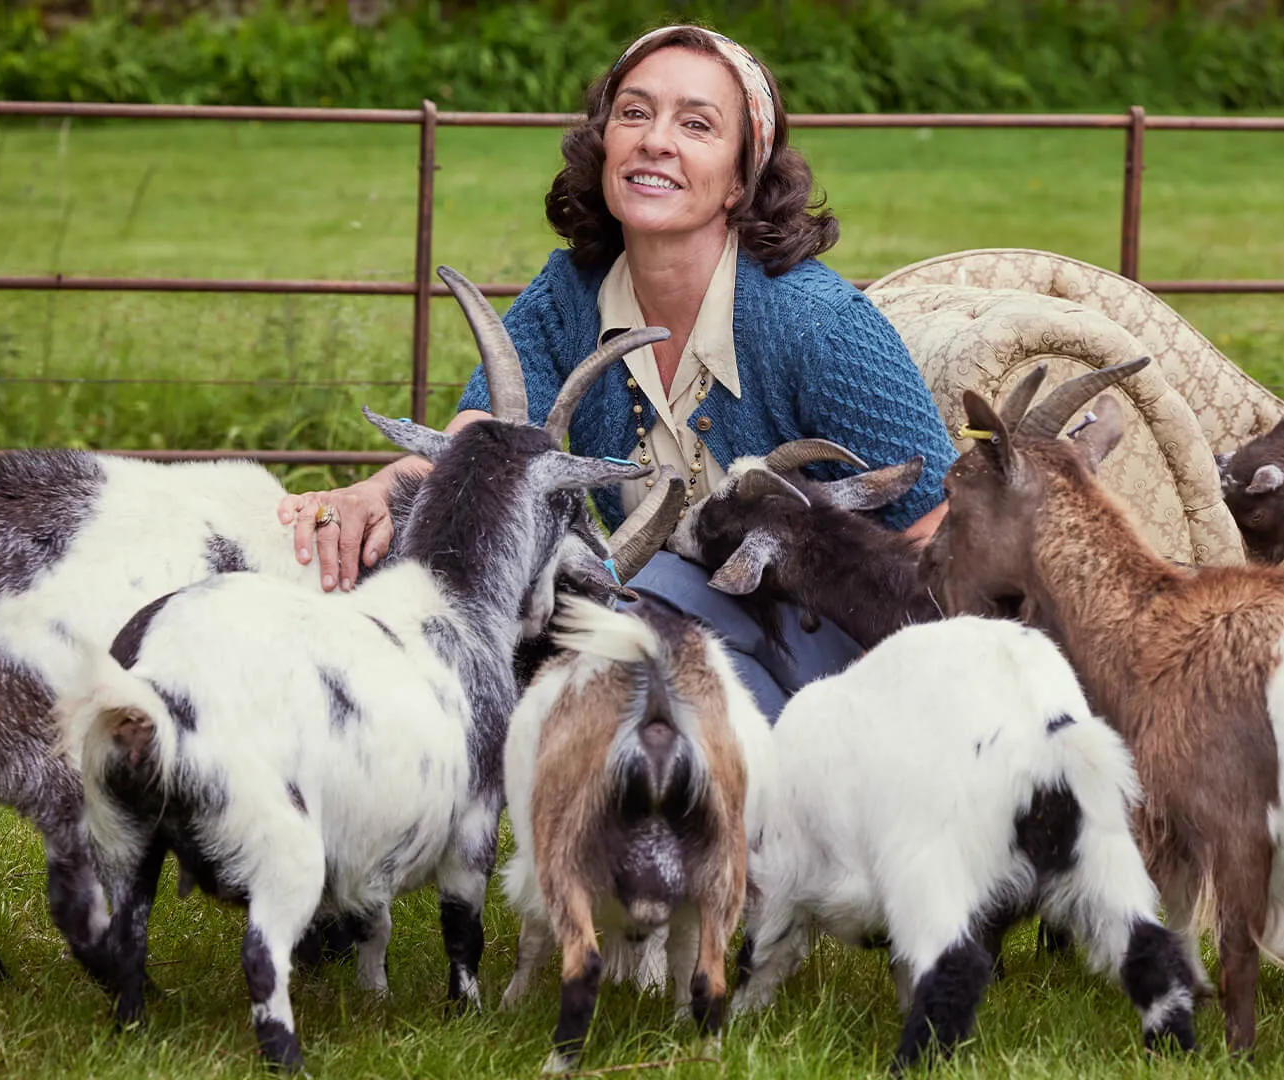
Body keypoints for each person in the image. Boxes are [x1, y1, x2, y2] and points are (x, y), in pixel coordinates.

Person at [277, 23, 956, 717]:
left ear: (739, 180)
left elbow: (943, 526)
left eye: (696, 124)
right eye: (634, 113)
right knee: (408, 566)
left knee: (612, 631)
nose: (655, 139)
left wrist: (878, 706)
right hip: (652, 618)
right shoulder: (569, 294)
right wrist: (372, 492)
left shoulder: (820, 324)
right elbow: (480, 445)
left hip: (825, 652)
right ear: (605, 146)